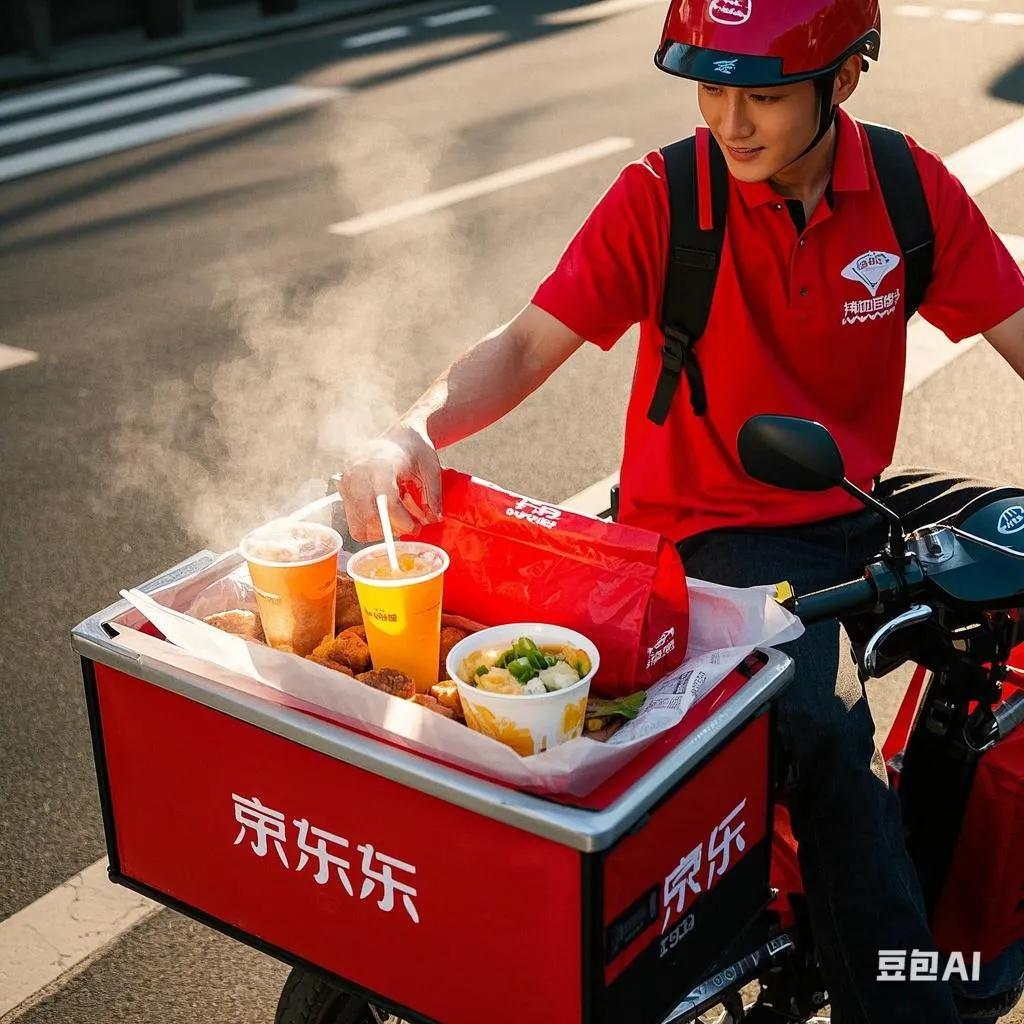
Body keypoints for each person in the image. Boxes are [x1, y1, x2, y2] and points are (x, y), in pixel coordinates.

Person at [341, 0, 1024, 1019]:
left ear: (842, 81)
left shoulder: (905, 190)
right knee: (825, 733)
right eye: (710, 89)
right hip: (710, 539)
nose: (728, 122)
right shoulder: (665, 198)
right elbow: (523, 346)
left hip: (848, 499)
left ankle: (949, 892)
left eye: (762, 98)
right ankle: (896, 996)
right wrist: (411, 429)